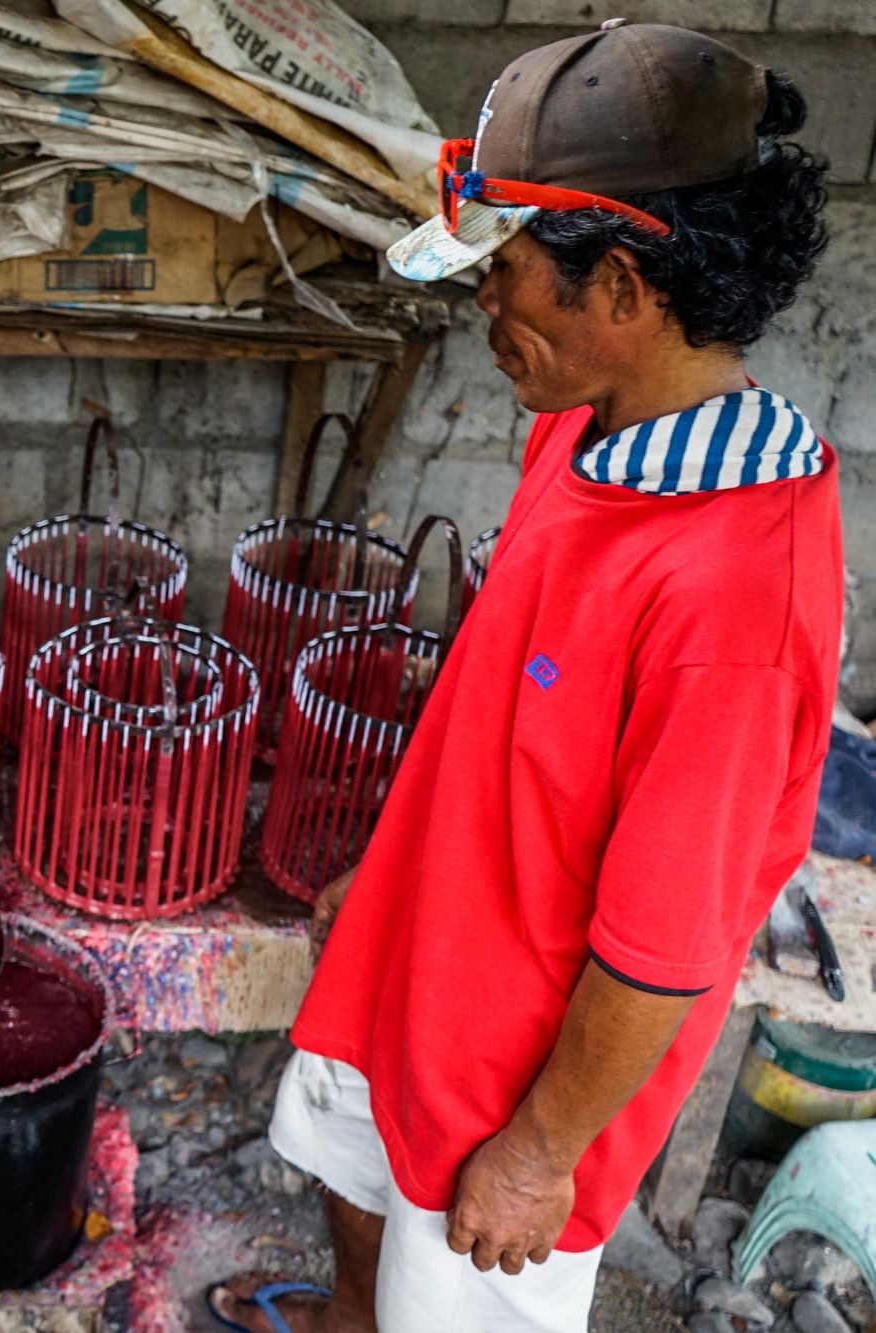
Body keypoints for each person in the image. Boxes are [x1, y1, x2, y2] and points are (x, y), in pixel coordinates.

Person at [209, 21, 838, 1333]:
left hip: (513, 1079)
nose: (482, 302)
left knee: (450, 1283)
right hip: (420, 958)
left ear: (618, 286)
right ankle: (344, 1318)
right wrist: (394, 869)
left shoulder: (736, 592)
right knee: (348, 1178)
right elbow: (511, 715)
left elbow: (665, 951)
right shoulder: (589, 421)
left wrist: (541, 1148)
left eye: (507, 273)